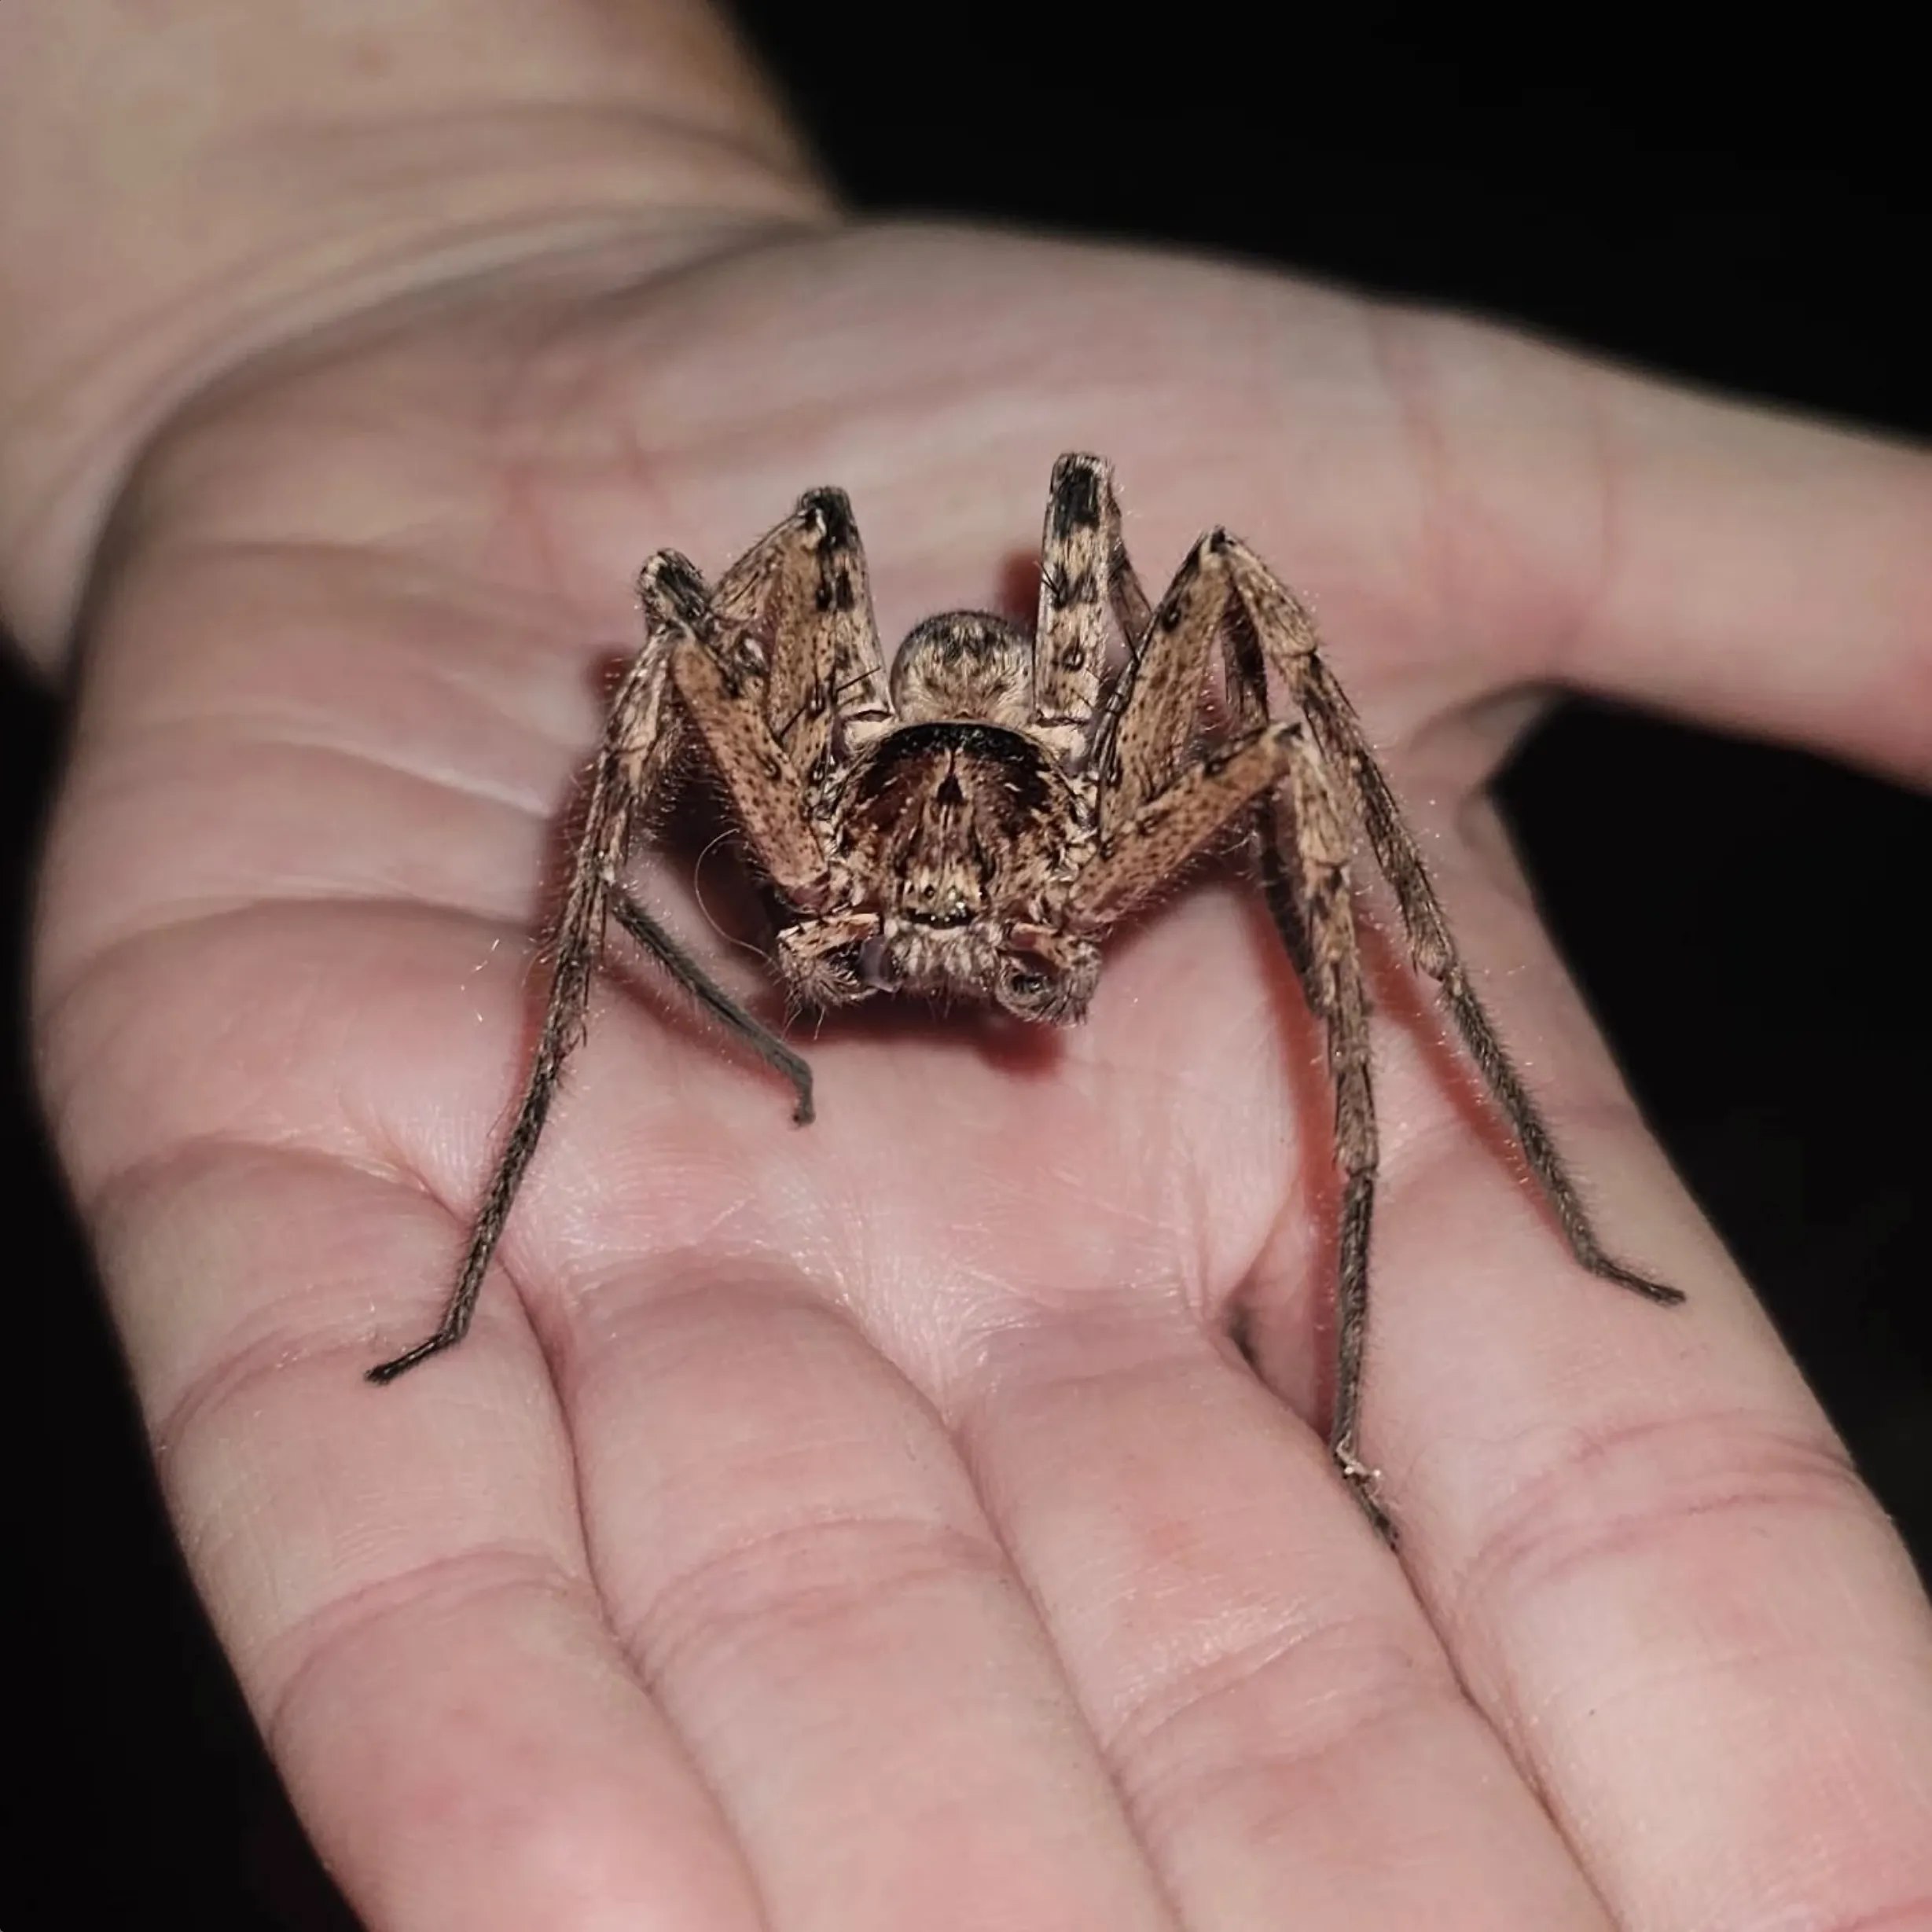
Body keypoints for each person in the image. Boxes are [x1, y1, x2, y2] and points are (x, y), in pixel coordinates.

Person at [6, 2, 1930, 1926]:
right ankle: (551, 1110)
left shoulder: (1099, 810)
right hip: (843, 772)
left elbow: (1269, 711)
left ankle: (1407, 1328)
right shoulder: (815, 808)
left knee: (1284, 728)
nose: (936, 891)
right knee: (677, 623)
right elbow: (675, 630)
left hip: (1061, 785)